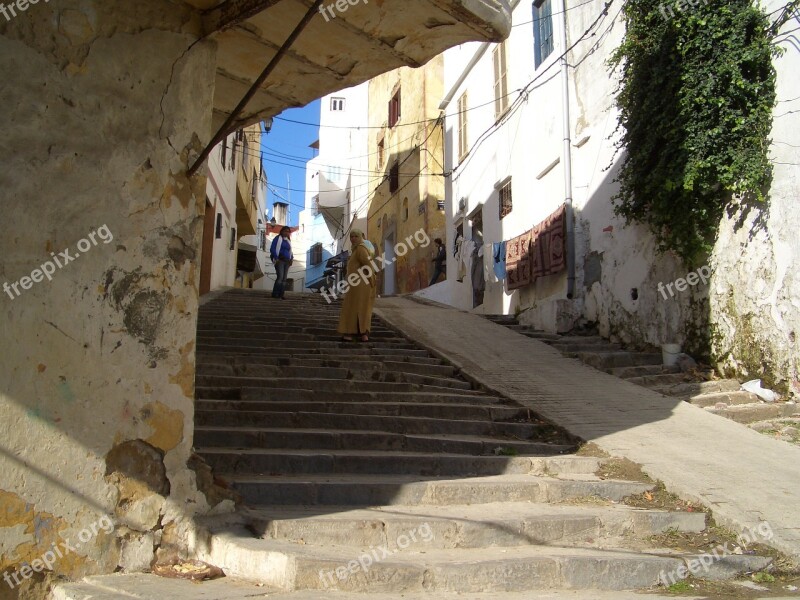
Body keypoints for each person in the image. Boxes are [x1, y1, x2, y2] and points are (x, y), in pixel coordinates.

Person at [337, 229, 376, 342]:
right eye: (351, 236)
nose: (353, 238)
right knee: (358, 308)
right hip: (355, 285)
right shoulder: (355, 250)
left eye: (355, 236)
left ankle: (356, 333)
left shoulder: (361, 249)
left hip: (361, 285)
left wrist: (372, 280)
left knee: (356, 308)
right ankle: (361, 333)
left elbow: (368, 265)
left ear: (360, 237)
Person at [269, 226, 293, 299]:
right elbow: (272, 248)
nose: (286, 233)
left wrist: (291, 259)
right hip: (279, 260)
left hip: (287, 261)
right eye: (285, 231)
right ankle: (275, 294)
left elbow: (290, 251)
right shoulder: (277, 238)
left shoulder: (288, 241)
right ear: (282, 231)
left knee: (284, 278)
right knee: (280, 277)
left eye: (288, 231)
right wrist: (276, 258)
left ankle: (281, 294)